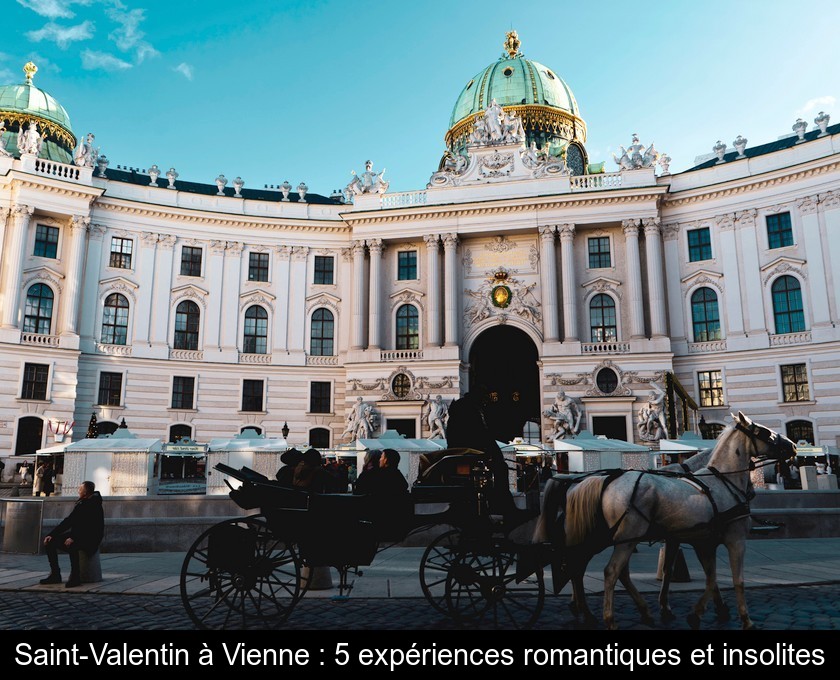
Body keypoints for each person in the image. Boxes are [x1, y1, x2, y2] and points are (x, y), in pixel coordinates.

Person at [446, 386, 517, 516]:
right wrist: (492, 451)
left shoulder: (465, 406)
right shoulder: (470, 408)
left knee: (499, 466)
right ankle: (501, 506)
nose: (485, 402)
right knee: (500, 468)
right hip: (468, 452)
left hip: (463, 450)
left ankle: (500, 504)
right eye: (483, 399)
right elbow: (480, 434)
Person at [40, 481, 104, 587]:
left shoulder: (93, 504)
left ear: (86, 492)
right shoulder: (83, 502)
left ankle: (75, 577)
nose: (78, 491)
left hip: (91, 538)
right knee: (50, 542)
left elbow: (89, 526)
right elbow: (69, 521)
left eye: (80, 489)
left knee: (72, 545)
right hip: (80, 534)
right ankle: (55, 574)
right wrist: (51, 534)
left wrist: (73, 537)